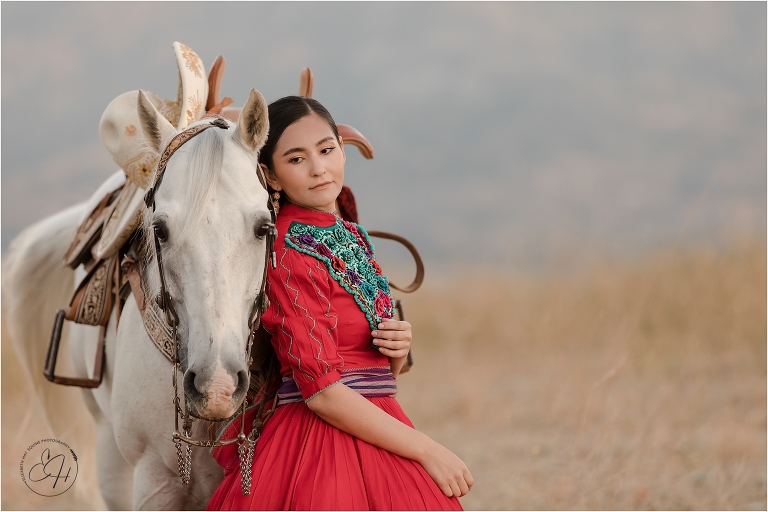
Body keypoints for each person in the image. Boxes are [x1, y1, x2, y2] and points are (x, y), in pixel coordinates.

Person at [207, 96, 472, 510]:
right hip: (320, 443)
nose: (318, 168)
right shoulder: (289, 250)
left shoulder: (350, 234)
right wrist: (428, 450)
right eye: (296, 159)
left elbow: (375, 374)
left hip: (375, 421)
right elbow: (323, 393)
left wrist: (395, 350)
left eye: (326, 150)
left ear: (341, 151)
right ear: (271, 176)